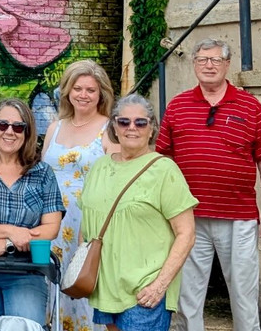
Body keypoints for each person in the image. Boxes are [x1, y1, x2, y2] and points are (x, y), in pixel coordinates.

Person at [156, 40, 261, 331]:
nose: (208, 65)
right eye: (202, 60)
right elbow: (162, 160)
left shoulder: (250, 106)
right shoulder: (177, 105)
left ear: (227, 65)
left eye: (215, 60)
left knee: (243, 294)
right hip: (187, 217)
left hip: (238, 216)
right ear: (194, 65)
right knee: (187, 295)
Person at [80, 94, 197, 331]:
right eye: (124, 122)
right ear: (114, 126)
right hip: (106, 288)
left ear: (152, 128)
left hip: (144, 289)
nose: (131, 128)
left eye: (140, 123)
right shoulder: (100, 166)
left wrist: (159, 285)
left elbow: (186, 233)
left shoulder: (164, 170)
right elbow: (89, 222)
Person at [0, 97, 64, 324]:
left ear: (27, 132)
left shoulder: (43, 174)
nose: (9, 132)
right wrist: (11, 232)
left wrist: (4, 244)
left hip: (27, 271)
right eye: (2, 125)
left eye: (18, 127)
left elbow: (51, 227)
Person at [41, 60, 119, 331]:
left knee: (85, 285)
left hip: (89, 225)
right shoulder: (55, 128)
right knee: (52, 286)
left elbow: (116, 181)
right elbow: (43, 177)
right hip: (52, 224)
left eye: (90, 89)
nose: (83, 95)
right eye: (77, 88)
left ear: (102, 94)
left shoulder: (110, 130)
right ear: (67, 91)